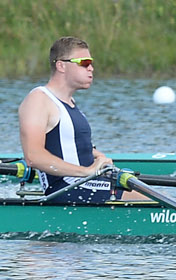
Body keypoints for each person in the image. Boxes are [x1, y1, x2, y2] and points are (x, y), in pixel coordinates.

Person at [20, 36, 117, 204]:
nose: (91, 69)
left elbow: (65, 142)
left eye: (91, 63)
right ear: (61, 65)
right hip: (68, 189)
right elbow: (33, 156)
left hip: (88, 184)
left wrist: (96, 154)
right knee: (157, 201)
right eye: (84, 63)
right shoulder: (38, 100)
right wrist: (87, 171)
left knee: (152, 195)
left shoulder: (69, 102)